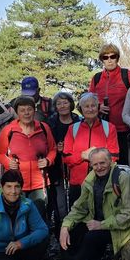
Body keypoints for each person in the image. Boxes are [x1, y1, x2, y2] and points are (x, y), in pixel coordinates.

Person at [57, 148, 130, 260]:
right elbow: (79, 207)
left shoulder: (123, 178)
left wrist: (102, 224)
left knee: (91, 238)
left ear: (110, 161)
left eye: (102, 163)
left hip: (120, 227)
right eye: (95, 164)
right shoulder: (90, 179)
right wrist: (65, 226)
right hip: (97, 223)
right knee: (71, 233)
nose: (99, 167)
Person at [0, 96, 56, 219]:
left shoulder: (43, 128)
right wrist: (7, 162)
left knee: (38, 218)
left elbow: (53, 149)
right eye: (22, 110)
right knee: (17, 219)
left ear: (34, 110)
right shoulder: (9, 130)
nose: (26, 113)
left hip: (39, 183)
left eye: (29, 109)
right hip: (16, 184)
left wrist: (48, 160)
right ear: (17, 113)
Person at [62, 92, 118, 204]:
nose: (90, 109)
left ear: (98, 107)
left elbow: (114, 155)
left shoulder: (109, 127)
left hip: (102, 182)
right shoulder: (72, 129)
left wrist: (95, 158)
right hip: (78, 183)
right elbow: (66, 157)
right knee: (78, 213)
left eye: (93, 105)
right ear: (81, 109)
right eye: (86, 106)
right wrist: (82, 156)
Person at [88, 43, 130, 165]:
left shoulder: (127, 75)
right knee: (103, 165)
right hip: (101, 130)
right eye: (105, 57)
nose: (109, 60)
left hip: (123, 130)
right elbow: (89, 101)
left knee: (123, 166)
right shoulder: (97, 78)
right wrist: (98, 107)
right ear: (102, 60)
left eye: (112, 56)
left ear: (117, 58)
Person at [46, 91, 81, 238]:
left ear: (71, 104)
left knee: (75, 199)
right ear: (55, 106)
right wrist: (57, 148)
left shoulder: (79, 121)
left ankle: (76, 230)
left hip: (75, 165)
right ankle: (60, 229)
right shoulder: (51, 123)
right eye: (59, 103)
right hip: (56, 166)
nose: (62, 106)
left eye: (65, 102)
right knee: (59, 201)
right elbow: (46, 144)